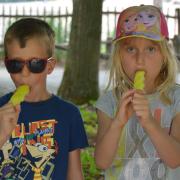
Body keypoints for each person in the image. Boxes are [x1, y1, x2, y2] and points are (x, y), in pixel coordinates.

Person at [94, 5, 180, 180]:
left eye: (150, 49)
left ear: (164, 55)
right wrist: (117, 123)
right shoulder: (109, 102)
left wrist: (149, 121)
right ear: (119, 55)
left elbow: (175, 160)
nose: (140, 59)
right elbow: (101, 163)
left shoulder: (176, 99)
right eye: (131, 49)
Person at [0, 18, 88, 180]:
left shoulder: (69, 114)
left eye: (35, 64)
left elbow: (75, 173)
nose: (24, 73)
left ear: (49, 66)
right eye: (15, 64)